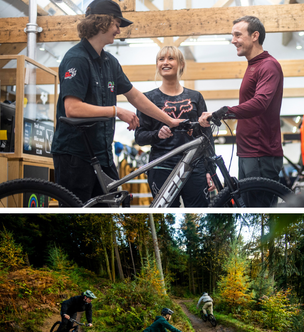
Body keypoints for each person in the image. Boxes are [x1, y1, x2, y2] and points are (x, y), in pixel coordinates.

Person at [52, 0, 184, 203]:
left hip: (102, 154)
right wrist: (116, 111)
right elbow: (72, 108)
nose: (118, 30)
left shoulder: (109, 62)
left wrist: (169, 120)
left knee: (115, 205)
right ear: (102, 22)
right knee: (76, 211)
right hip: (75, 155)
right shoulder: (76, 59)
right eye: (116, 24)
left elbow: (136, 97)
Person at [199, 16, 284, 207]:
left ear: (255, 36)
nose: (233, 40)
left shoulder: (268, 65)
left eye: (238, 35)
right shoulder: (253, 65)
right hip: (247, 152)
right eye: (232, 35)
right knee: (247, 211)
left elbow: (260, 103)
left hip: (261, 153)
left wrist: (223, 112)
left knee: (261, 216)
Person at [135, 46, 214, 207]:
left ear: (181, 64)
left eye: (171, 58)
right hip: (162, 165)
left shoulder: (195, 97)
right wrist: (157, 134)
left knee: (200, 214)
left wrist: (210, 170)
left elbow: (206, 136)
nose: (165, 62)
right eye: (161, 59)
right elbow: (139, 137)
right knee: (167, 218)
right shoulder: (147, 99)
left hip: (194, 165)